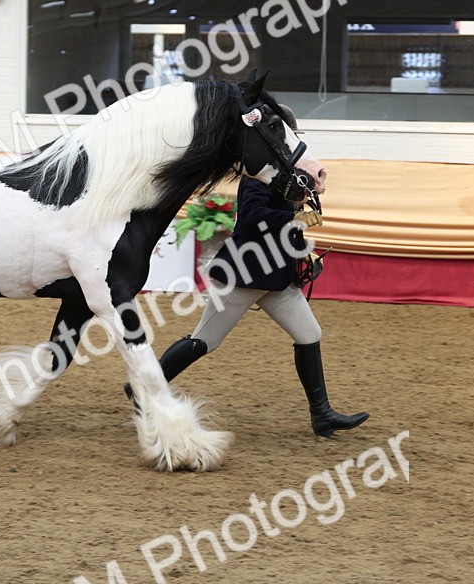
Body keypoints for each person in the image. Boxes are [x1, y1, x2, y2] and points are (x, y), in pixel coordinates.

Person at [137, 112, 369, 438]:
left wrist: (304, 253)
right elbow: (253, 218)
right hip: (243, 277)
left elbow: (285, 228)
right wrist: (295, 221)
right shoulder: (257, 178)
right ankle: (144, 390)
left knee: (309, 334)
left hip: (277, 279)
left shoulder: (288, 179)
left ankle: (322, 415)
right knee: (205, 341)